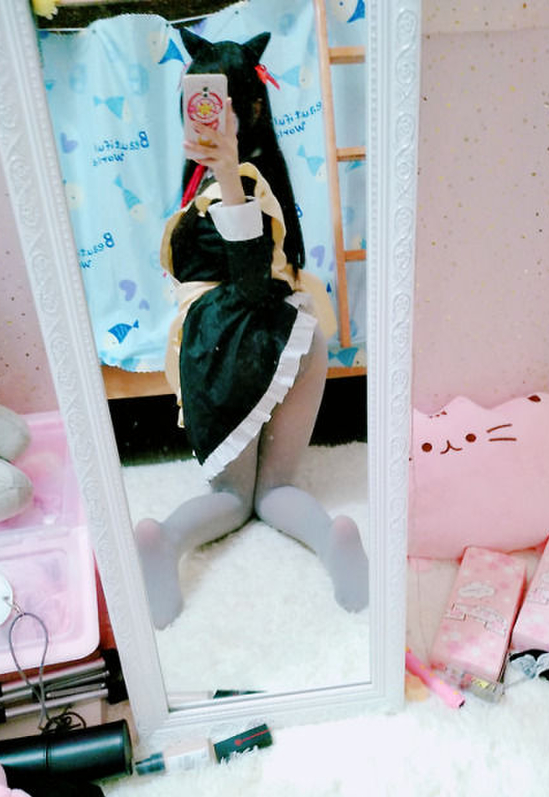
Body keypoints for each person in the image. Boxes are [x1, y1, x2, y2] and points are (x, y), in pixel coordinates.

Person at [135, 30, 368, 630]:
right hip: (295, 337)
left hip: (233, 347)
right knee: (275, 489)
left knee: (232, 500)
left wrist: (228, 173)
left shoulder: (233, 183)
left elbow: (249, 283)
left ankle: (167, 540)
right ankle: (331, 537)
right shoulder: (257, 176)